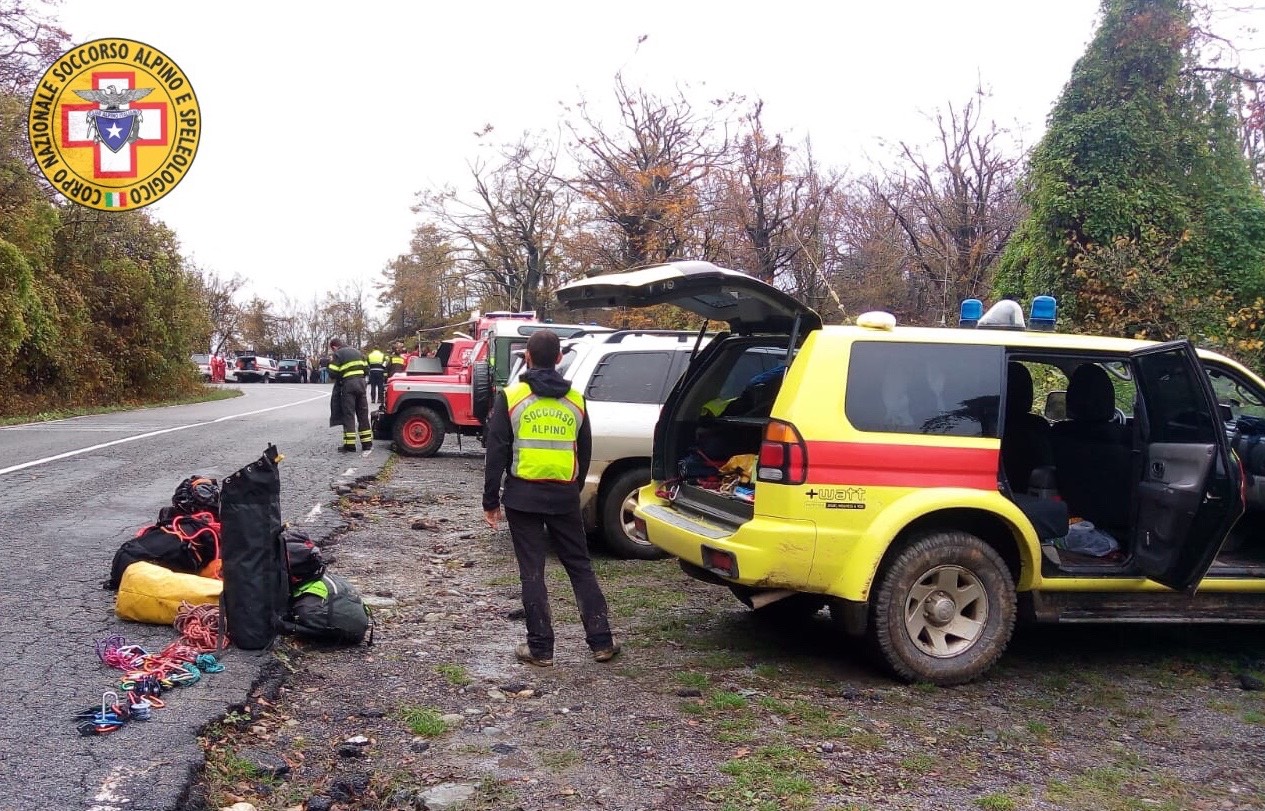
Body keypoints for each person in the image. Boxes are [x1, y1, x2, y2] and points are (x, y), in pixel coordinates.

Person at [482, 329, 619, 667]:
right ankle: (601, 642)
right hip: (563, 496)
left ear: (527, 357)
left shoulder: (511, 396)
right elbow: (583, 450)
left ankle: (540, 649)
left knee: (532, 571)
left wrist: (490, 501)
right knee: (580, 567)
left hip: (522, 496)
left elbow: (497, 451)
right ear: (559, 358)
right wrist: (572, 489)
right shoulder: (575, 399)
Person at [327, 338, 373, 452]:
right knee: (363, 414)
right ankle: (367, 443)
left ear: (334, 347)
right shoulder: (358, 352)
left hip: (348, 385)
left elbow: (332, 373)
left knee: (349, 414)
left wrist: (330, 365)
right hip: (361, 384)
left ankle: (350, 445)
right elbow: (367, 370)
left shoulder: (338, 354)